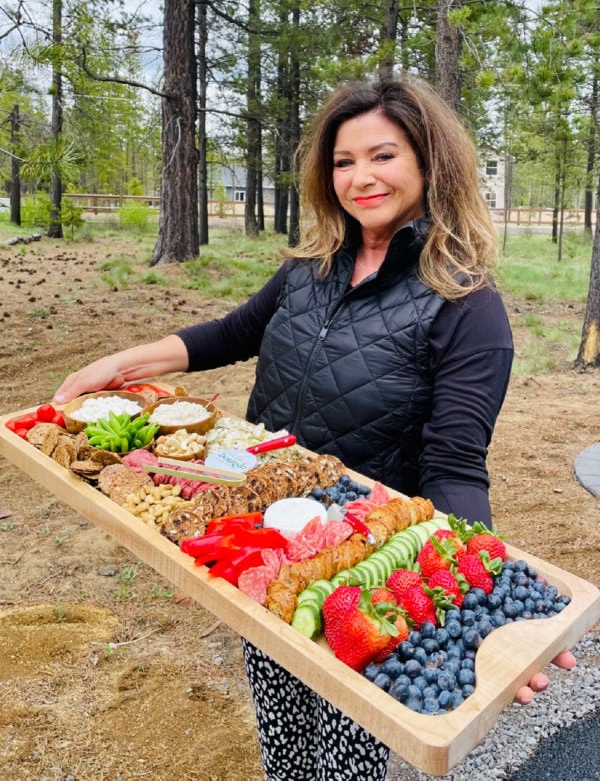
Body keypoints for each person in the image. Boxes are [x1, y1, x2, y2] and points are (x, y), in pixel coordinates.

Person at [54, 74, 575, 781]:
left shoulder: (465, 304)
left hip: (357, 574)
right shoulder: (311, 266)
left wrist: (484, 610)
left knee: (345, 755)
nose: (360, 177)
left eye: (383, 156)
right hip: (265, 546)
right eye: (343, 161)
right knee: (282, 731)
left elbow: (454, 465)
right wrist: (115, 365)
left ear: (429, 162)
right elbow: (230, 333)